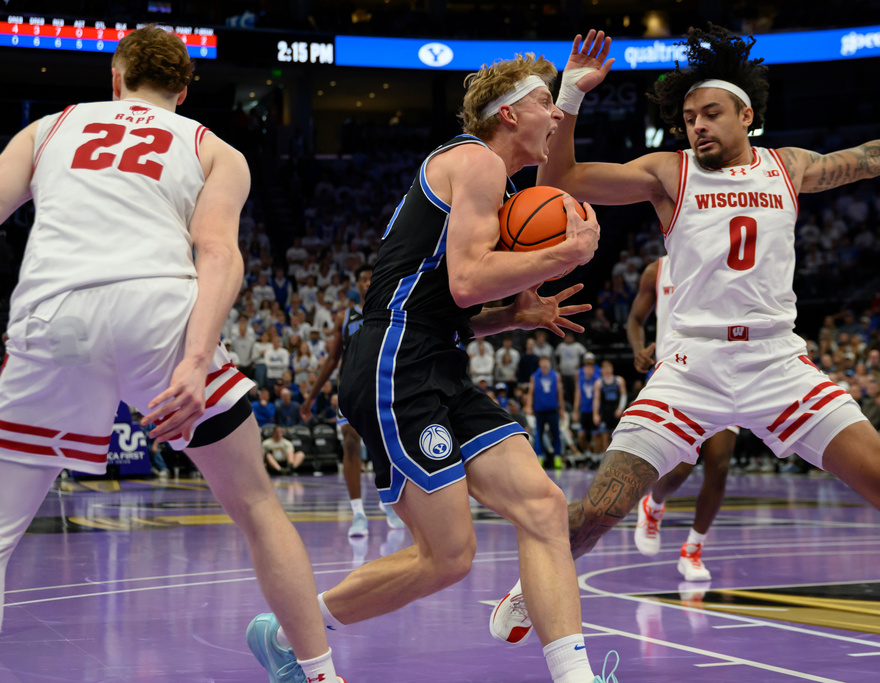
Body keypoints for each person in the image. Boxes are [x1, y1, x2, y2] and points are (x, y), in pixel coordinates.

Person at [489, 27, 880, 675]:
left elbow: (868, 157)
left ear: (747, 114)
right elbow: (562, 176)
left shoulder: (788, 166)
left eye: (711, 113)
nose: (698, 127)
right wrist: (572, 90)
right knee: (604, 505)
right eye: (688, 117)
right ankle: (531, 586)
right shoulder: (669, 172)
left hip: (777, 365)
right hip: (689, 369)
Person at [251, 53, 610, 683]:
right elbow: (470, 281)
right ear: (509, 114)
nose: (554, 113)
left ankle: (575, 678)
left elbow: (455, 306)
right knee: (447, 556)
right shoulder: (475, 161)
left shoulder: (490, 179)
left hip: (435, 355)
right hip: (396, 361)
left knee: (544, 507)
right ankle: (288, 632)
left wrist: (515, 318)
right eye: (544, 102)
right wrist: (565, 252)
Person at [0, 26, 339, 682]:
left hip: (53, 315)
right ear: (184, 92)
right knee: (257, 507)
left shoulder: (49, 127)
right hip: (159, 315)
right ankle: (320, 673)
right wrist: (195, 359)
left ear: (115, 79)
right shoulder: (215, 149)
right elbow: (216, 251)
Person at [626, 255, 737, 580]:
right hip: (677, 376)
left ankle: (693, 549)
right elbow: (634, 319)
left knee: (719, 465)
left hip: (723, 372)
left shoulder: (726, 265)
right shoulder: (656, 271)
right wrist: (637, 349)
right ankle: (654, 505)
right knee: (681, 467)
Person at [300, 264, 404, 536]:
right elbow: (333, 360)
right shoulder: (345, 318)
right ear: (356, 285)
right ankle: (358, 512)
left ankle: (388, 501)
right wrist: (311, 396)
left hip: (381, 387)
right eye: (362, 279)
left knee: (385, 447)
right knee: (349, 442)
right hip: (351, 388)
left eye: (371, 277)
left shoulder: (391, 312)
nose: (367, 282)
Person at [527, 355, 565, 469]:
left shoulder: (556, 375)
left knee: (556, 433)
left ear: (549, 362)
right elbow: (530, 392)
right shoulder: (534, 376)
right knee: (539, 433)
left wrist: (562, 408)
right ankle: (539, 457)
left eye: (546, 361)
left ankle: (557, 456)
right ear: (539, 363)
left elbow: (559, 392)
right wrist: (529, 406)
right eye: (542, 361)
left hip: (553, 409)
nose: (544, 363)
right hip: (539, 410)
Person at [591, 360, 626, 454]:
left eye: (608, 367)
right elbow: (596, 399)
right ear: (601, 370)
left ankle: (617, 456)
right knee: (604, 435)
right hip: (605, 411)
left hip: (616, 411)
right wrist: (595, 414)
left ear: (612, 369)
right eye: (604, 368)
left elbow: (623, 395)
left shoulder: (619, 380)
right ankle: (606, 456)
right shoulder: (599, 383)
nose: (607, 370)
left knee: (617, 435)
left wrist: (620, 408)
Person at [572, 352, 600, 461]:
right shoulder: (580, 376)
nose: (588, 366)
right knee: (581, 435)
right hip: (584, 409)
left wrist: (596, 413)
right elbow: (577, 394)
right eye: (586, 363)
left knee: (595, 435)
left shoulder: (597, 375)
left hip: (594, 409)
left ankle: (596, 455)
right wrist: (575, 411)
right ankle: (587, 452)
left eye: (590, 363)